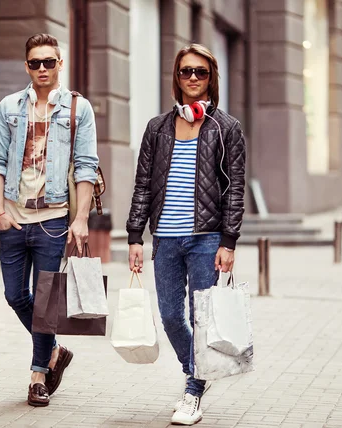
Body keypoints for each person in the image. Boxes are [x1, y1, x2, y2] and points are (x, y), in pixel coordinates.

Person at [126, 44, 246, 425]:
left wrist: (229, 241)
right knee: (171, 317)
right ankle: (200, 369)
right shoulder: (157, 128)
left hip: (207, 238)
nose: (193, 78)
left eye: (201, 72)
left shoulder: (226, 128)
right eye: (185, 72)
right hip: (164, 237)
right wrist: (134, 235)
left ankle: (193, 390)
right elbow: (143, 184)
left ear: (211, 78)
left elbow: (236, 188)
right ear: (176, 78)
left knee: (203, 317)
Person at [0, 33, 99, 407]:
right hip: (14, 219)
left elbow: (86, 167)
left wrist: (80, 218)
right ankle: (53, 352)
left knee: (46, 303)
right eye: (35, 63)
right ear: (26, 66)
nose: (43, 69)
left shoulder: (77, 109)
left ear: (59, 64)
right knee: (15, 295)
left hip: (53, 219)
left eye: (49, 62)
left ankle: (38, 375)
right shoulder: (9, 107)